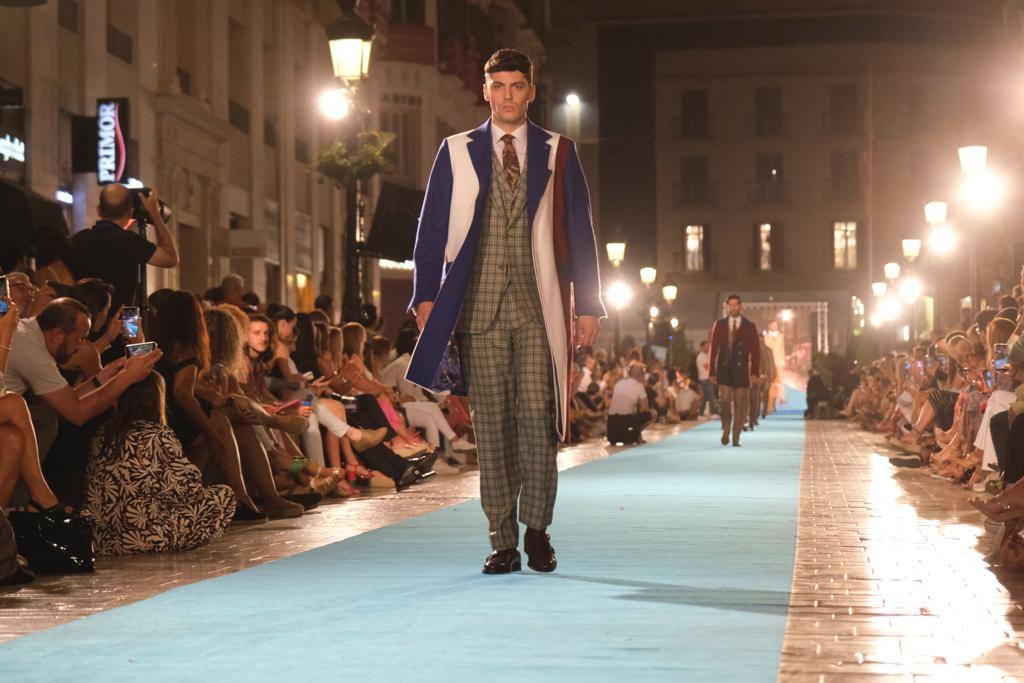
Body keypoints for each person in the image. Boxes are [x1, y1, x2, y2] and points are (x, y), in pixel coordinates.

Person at [406, 48, 604, 575]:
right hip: (478, 312)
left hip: (540, 309)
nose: (508, 95)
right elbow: (429, 230)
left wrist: (589, 302)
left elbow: (581, 231)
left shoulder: (559, 150)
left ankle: (537, 531)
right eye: (499, 86)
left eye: (518, 86)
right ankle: (501, 540)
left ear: (531, 91)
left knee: (538, 422)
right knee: (491, 427)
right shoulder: (454, 151)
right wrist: (425, 295)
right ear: (486, 89)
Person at [85, 372, 235, 554]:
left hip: (104, 540)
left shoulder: (102, 435)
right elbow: (190, 489)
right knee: (224, 495)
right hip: (147, 538)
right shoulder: (158, 435)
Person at [3, 298, 161, 463]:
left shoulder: (30, 330)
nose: (80, 346)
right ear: (57, 335)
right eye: (79, 339)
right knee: (46, 420)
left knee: (46, 415)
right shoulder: (33, 353)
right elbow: (77, 413)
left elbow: (66, 401)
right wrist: (128, 376)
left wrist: (103, 376)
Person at [71, 183, 179, 310]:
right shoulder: (130, 242)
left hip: (83, 320)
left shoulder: (78, 239)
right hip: (125, 322)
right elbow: (171, 258)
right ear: (130, 213)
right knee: (131, 325)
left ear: (99, 210)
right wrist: (154, 214)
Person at [708, 294, 761, 447]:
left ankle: (736, 435)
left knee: (740, 404)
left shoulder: (749, 326)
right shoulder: (720, 325)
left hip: (741, 371)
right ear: (727, 307)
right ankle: (726, 429)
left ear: (740, 306)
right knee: (724, 402)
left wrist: (754, 373)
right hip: (724, 370)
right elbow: (713, 349)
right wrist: (712, 371)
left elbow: (755, 351)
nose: (733, 307)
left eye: (736, 304)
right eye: (730, 304)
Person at [607, 364, 652, 443]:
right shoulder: (639, 386)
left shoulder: (619, 383)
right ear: (642, 375)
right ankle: (636, 435)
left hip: (612, 426)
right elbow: (645, 408)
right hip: (627, 424)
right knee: (652, 413)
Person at [695, 340, 717, 417]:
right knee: (711, 395)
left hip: (706, 378)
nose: (708, 348)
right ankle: (714, 412)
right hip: (705, 379)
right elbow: (707, 367)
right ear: (702, 347)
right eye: (706, 346)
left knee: (704, 397)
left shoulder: (705, 355)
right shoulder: (701, 356)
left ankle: (700, 413)